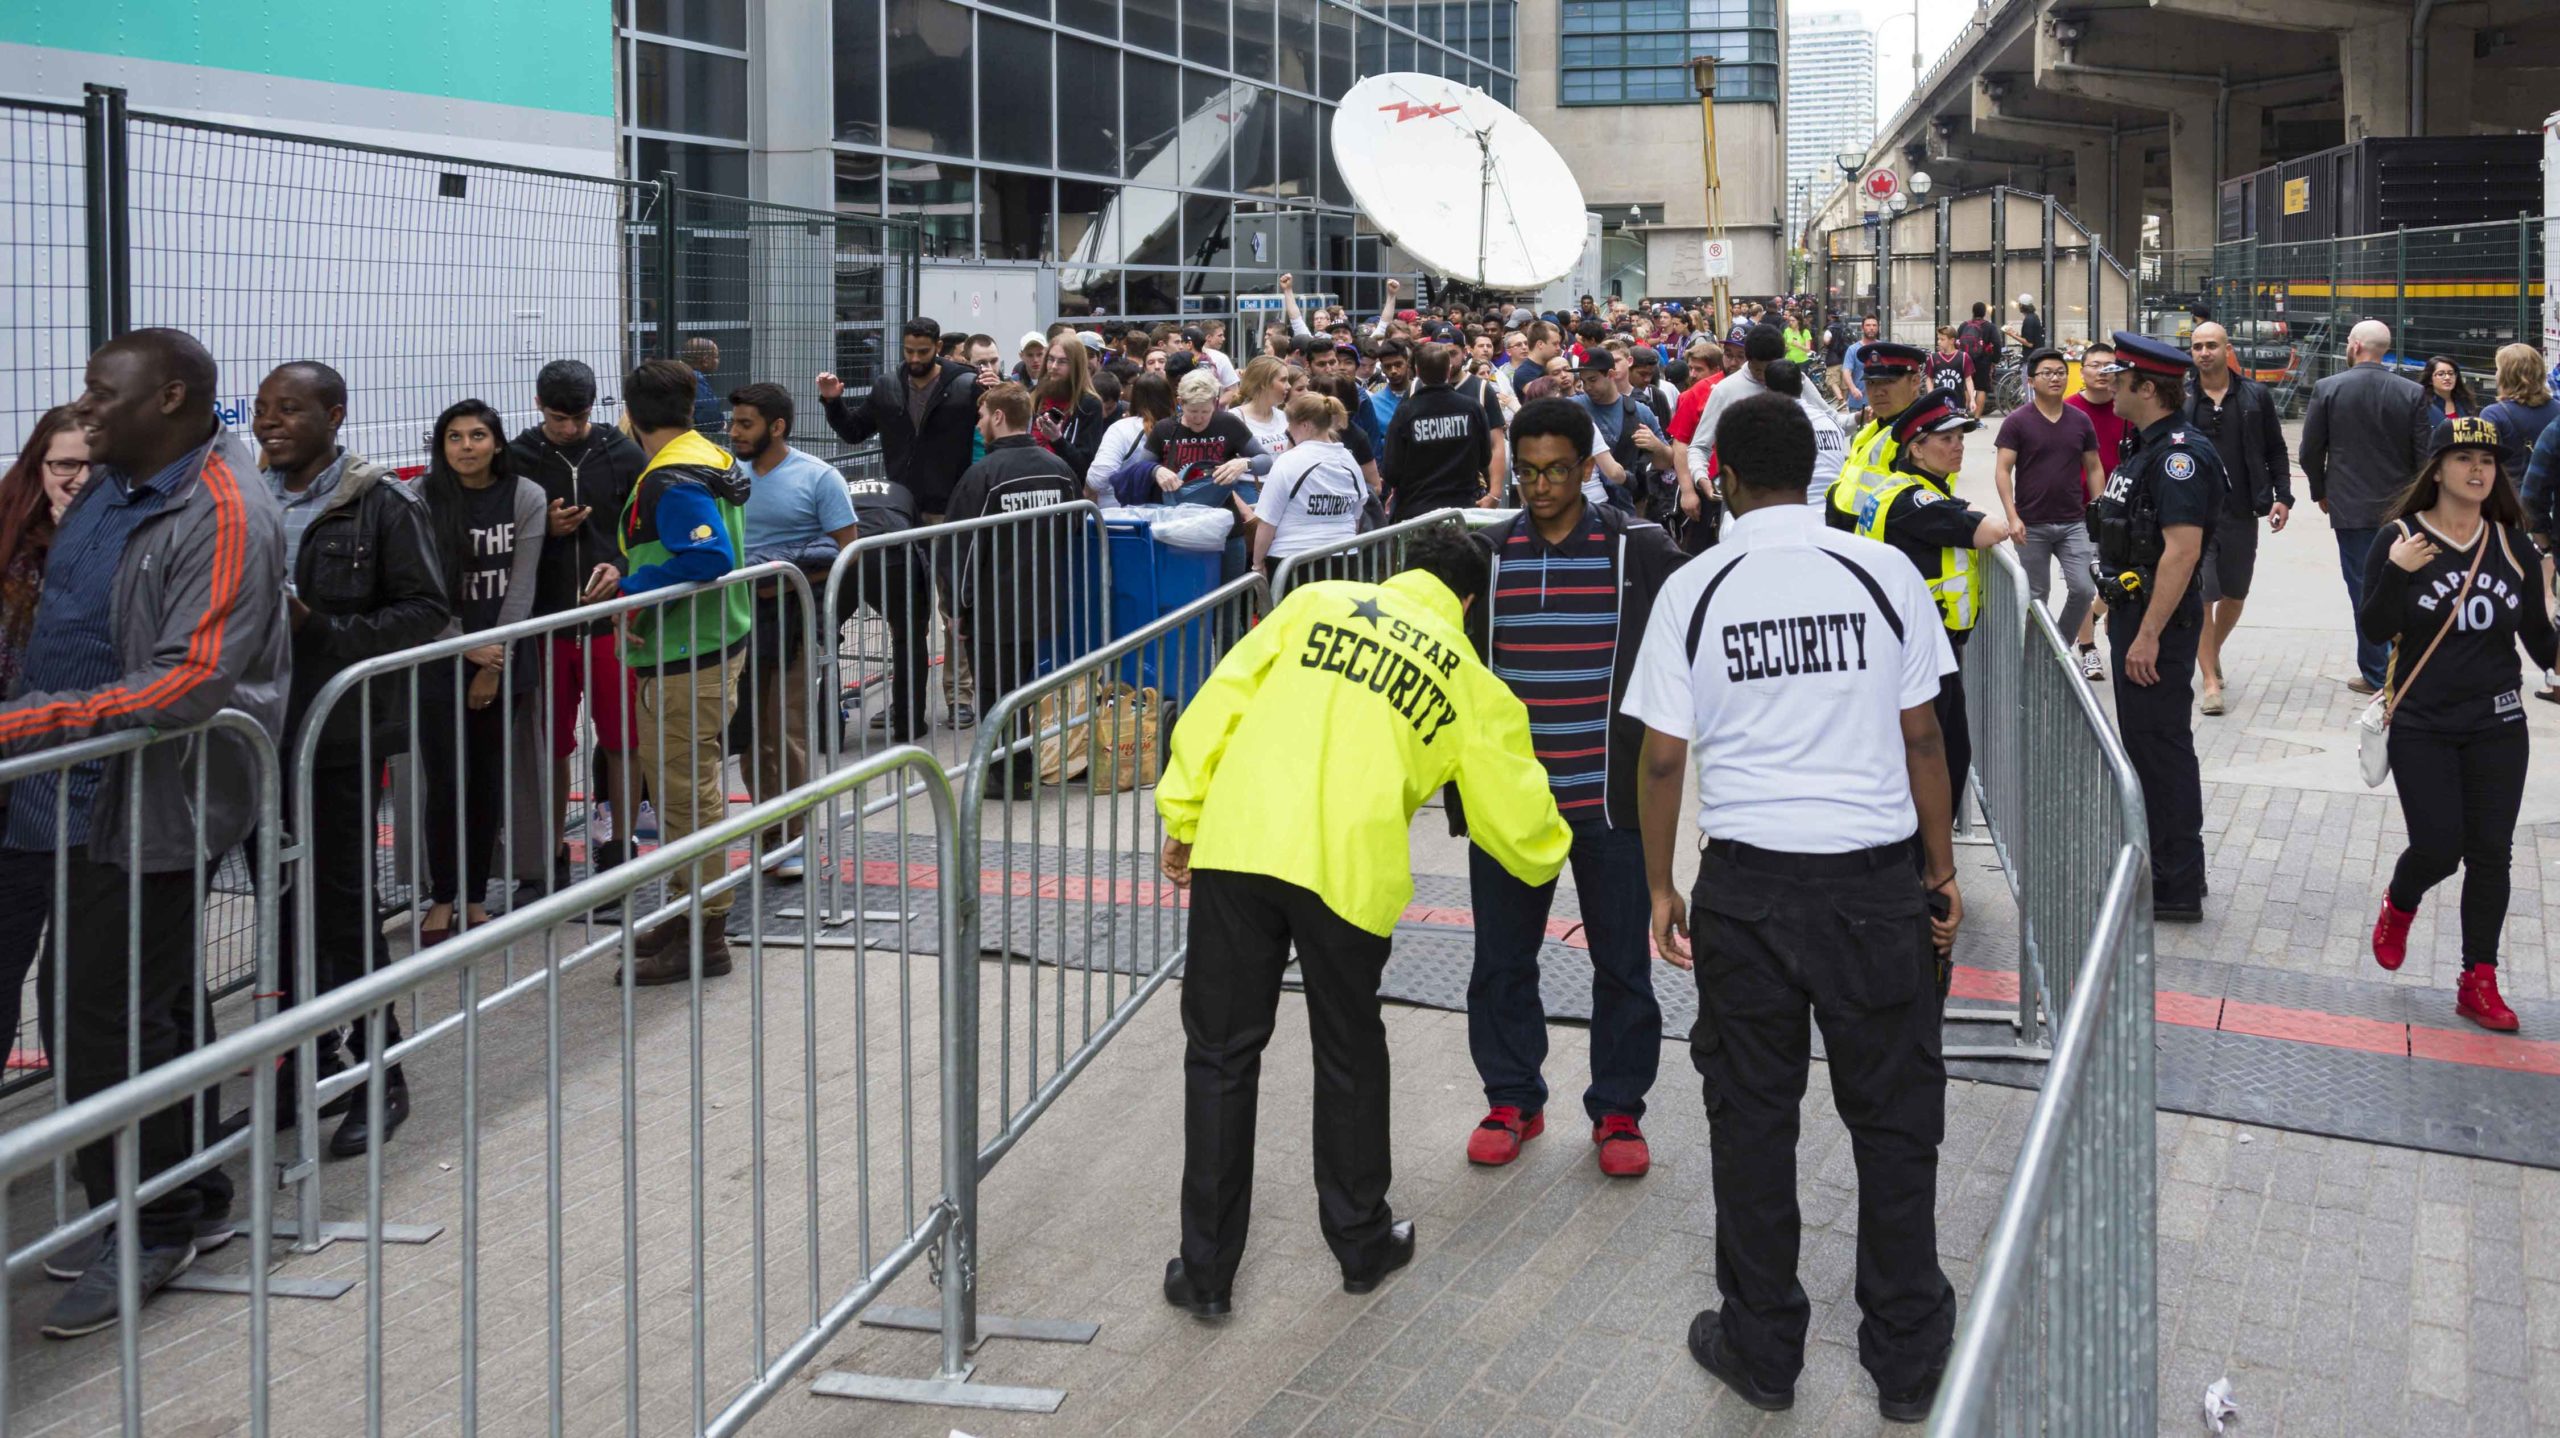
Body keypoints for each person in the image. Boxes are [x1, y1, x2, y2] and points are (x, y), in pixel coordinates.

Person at [1623, 390, 1961, 1425]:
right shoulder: (1883, 571)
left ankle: (1763, 1345)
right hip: (1874, 885)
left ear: (1722, 476)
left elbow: (1662, 759)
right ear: (1809, 474)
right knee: (1895, 1121)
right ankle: (1906, 1354)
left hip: (1749, 892)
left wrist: (1660, 887)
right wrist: (1940, 869)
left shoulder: (1695, 586)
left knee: (1753, 1122)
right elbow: (1922, 737)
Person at [1154, 528, 1571, 1321]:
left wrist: (1184, 813)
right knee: (1348, 1053)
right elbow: (1521, 824)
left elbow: (1220, 704)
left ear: (1400, 572)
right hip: (1347, 875)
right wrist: (1559, 848)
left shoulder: (1312, 602)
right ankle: (1360, 1242)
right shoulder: (1470, 680)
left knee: (1219, 1056)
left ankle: (1205, 1274)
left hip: (1240, 844)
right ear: (1470, 602)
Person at [0, 329, 287, 1337]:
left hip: (148, 794)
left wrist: (20, 727)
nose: (84, 407)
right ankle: (181, 1196)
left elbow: (188, 681)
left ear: (169, 398)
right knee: (137, 1004)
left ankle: (151, 1224)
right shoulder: (116, 486)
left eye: (100, 392)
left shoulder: (221, 506)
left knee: (107, 1018)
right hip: (65, 787)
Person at [1457, 399, 1687, 1177]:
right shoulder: (1488, 555)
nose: (1542, 486)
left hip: (1611, 804)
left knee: (1622, 965)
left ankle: (1618, 1110)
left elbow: (1695, 629)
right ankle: (1512, 1097)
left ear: (1587, 468)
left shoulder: (1638, 548)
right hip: (1512, 805)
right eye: (1527, 473)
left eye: (1558, 471)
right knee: (1500, 961)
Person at [256, 363, 449, 1153]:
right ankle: (298, 1067)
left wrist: (321, 631)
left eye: (289, 409)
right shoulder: (244, 498)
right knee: (278, 909)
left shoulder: (381, 504)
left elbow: (426, 610)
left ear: (334, 416)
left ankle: (380, 1071)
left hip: (335, 737)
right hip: (255, 738)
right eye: (263, 409)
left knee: (340, 904)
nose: (270, 422)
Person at [2361, 415, 2554, 1033]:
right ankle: (2400, 902)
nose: (2478, 470)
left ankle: (2479, 979)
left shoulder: (2513, 545)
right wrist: (2397, 570)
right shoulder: (2399, 537)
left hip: (2499, 722)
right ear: (2438, 470)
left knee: (2492, 853)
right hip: (2423, 723)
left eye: (2488, 461)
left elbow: (2538, 637)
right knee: (2440, 847)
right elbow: (2373, 629)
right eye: (2464, 458)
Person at [612, 358, 754, 980]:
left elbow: (708, 556)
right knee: (683, 795)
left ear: (630, 414)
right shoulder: (709, 455)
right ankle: (683, 910)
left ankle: (705, 933)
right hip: (706, 644)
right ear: (690, 407)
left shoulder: (670, 478)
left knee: (687, 801)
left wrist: (632, 588)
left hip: (684, 658)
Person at [2089, 333, 2223, 922]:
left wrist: (2147, 635)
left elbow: (2182, 552)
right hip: (2136, 614)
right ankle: (2169, 867)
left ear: (2147, 388)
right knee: (2147, 746)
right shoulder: (2144, 445)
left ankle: (2176, 884)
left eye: (2119, 380)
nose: (2109, 387)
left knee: (2161, 749)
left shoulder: (2178, 457)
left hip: (2156, 624)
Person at [509, 359, 648, 890]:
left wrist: (623, 568)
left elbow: (646, 532)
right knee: (549, 745)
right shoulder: (518, 458)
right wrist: (541, 527)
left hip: (610, 623)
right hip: (546, 624)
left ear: (595, 407)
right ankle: (549, 856)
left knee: (622, 739)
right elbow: (498, 530)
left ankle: (621, 845)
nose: (569, 428)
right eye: (558, 418)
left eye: (579, 418)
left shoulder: (623, 453)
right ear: (538, 406)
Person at [413, 400, 546, 952]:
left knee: (486, 780)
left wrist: (493, 661)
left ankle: (473, 898)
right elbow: (418, 586)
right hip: (441, 658)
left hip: (505, 658)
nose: (466, 447)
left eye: (476, 436)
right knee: (445, 782)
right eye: (454, 437)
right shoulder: (420, 497)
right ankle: (442, 896)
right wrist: (466, 648)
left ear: (496, 443)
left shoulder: (525, 496)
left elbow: (522, 586)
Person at [820, 317, 986, 723]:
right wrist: (833, 402)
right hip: (901, 515)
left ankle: (960, 698)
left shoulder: (964, 385)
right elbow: (854, 432)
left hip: (949, 511)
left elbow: (993, 429)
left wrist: (994, 393)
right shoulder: (887, 387)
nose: (914, 358)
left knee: (954, 610)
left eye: (922, 352)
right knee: (908, 616)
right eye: (909, 351)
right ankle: (905, 702)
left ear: (937, 347)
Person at [727, 383, 858, 875]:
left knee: (787, 731)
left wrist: (786, 581)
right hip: (737, 620)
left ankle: (798, 837)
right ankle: (769, 834)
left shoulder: (819, 477)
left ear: (777, 426)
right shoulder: (727, 477)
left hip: (794, 620)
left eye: (746, 424)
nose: (734, 432)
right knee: (750, 735)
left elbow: (848, 550)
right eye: (734, 422)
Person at [1857, 389, 2006, 807]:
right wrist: (1992, 518)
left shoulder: (1904, 489)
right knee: (1938, 758)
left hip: (1918, 643)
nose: (1958, 447)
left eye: (1961, 438)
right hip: (1917, 648)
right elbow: (1990, 530)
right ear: (1917, 449)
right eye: (1946, 439)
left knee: (1946, 752)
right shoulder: (1916, 500)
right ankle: (1922, 846)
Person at [0, 409, 88, 1102]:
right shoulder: (10, 544)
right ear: (37, 467)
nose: (78, 479)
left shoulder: (121, 541)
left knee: (81, 976)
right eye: (64, 464)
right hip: (14, 787)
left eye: (92, 466)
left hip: (83, 787)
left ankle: (90, 1129)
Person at [944, 382, 1081, 798]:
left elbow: (960, 549)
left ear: (999, 417)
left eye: (983, 416)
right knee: (1023, 689)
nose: (979, 424)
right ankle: (1019, 769)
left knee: (995, 694)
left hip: (996, 606)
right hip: (1045, 602)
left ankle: (1007, 776)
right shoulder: (1058, 469)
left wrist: (957, 608)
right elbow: (1074, 532)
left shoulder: (983, 475)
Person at [2301, 319, 2436, 694]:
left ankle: (2377, 674)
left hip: (2351, 508)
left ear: (2357, 346)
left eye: (2348, 341)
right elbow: (2424, 458)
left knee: (2364, 587)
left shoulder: (2328, 388)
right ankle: (2407, 666)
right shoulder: (2411, 393)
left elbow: (2310, 450)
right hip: (2402, 510)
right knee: (2406, 584)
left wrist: (2320, 490)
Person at [2183, 322, 2294, 717]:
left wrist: (2283, 496)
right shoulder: (2183, 397)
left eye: (2211, 345)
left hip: (2243, 510)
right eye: (2197, 346)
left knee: (2235, 594)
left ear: (2227, 349)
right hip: (2194, 515)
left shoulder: (2254, 395)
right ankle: (2209, 682)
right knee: (2202, 596)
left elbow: (2276, 449)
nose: (2204, 352)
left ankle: (2210, 653)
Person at [1996, 347, 2104, 674]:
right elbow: (2003, 470)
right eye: (2047, 373)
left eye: (2060, 372)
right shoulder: (2017, 421)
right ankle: (2033, 664)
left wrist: (2099, 508)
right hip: (2031, 524)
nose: (2055, 378)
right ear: (2031, 381)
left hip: (2074, 521)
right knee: (2036, 596)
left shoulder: (2080, 420)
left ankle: (2056, 651)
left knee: (2084, 589)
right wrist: (2012, 516)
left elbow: (2094, 466)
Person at [1251, 392, 1369, 570]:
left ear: (1305, 425)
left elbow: (1268, 521)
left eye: (1290, 426)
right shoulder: (1349, 461)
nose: (1288, 431)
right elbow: (1356, 516)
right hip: (1343, 557)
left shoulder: (1288, 461)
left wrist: (1257, 563)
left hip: (1292, 559)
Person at [1381, 343, 1495, 517]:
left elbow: (1391, 471)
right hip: (1463, 509)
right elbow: (1485, 458)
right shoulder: (1472, 409)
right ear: (1448, 370)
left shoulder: (1405, 412)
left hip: (1417, 512)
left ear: (1417, 372)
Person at [1825, 342, 1929, 531]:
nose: (1878, 392)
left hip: (1882, 540)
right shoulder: (1873, 427)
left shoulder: (1920, 435)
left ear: (1914, 382)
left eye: (1888, 382)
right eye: (1871, 383)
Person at [1761, 361, 1847, 506]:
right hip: (1836, 509)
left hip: (1798, 511)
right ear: (1801, 387)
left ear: (1767, 390)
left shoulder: (1772, 426)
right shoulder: (1829, 422)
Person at [1030, 333, 1109, 476]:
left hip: (1063, 481)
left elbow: (1084, 464)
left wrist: (1057, 439)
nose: (1054, 366)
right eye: (1051, 359)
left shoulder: (1089, 404)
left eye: (1062, 361)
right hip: (1031, 476)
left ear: (1076, 366)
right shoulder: (1036, 395)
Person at [2480, 342, 2556, 485]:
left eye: (2498, 369)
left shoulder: (2493, 414)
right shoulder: (2557, 409)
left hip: (2511, 494)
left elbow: (2484, 464)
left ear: (2506, 375)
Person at [1231, 355, 1294, 456]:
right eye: (1283, 380)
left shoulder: (1284, 417)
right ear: (1264, 383)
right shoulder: (1235, 418)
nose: (1289, 386)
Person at [1925, 327, 1971, 411]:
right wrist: (1931, 396)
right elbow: (1929, 379)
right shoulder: (1933, 358)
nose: (1939, 341)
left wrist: (1972, 399)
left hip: (1958, 403)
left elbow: (1968, 380)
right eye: (1938, 339)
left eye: (1942, 339)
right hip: (1939, 403)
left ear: (1952, 341)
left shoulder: (1963, 357)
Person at [683, 337, 724, 430]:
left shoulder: (679, 372)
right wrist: (721, 424)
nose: (718, 360)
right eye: (716, 357)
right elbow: (709, 416)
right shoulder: (695, 379)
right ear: (705, 361)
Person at [2423, 356, 2478, 421]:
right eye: (2441, 374)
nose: (2447, 377)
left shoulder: (2464, 400)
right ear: (2430, 379)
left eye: (2451, 373)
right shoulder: (2424, 404)